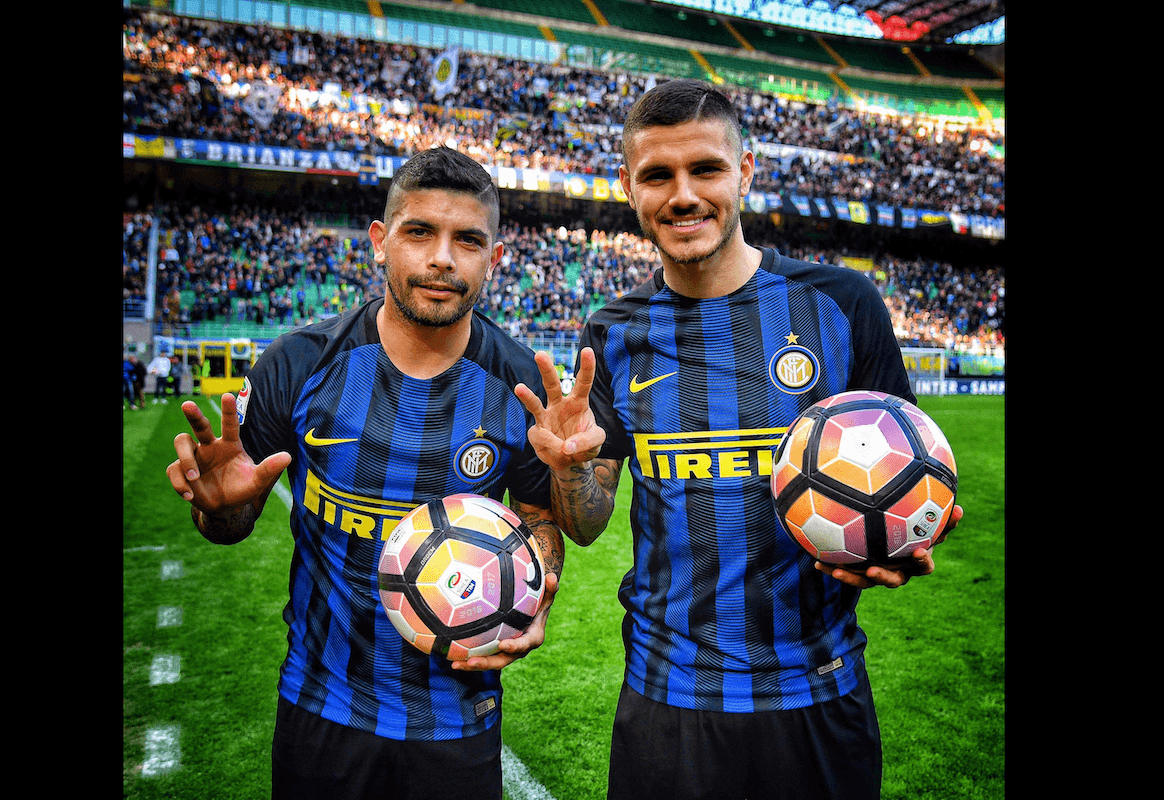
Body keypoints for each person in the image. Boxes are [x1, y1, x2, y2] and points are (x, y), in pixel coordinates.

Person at [514, 79, 964, 800]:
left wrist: (907, 545)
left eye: (706, 169)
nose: (683, 195)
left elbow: (910, 485)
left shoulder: (843, 306)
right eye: (658, 175)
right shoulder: (612, 333)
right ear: (630, 188)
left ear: (745, 172)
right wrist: (570, 471)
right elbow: (588, 524)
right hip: (668, 701)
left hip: (819, 693)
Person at [166, 146, 565, 799]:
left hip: (458, 715)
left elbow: (541, 515)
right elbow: (229, 524)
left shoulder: (519, 384)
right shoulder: (297, 363)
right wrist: (219, 505)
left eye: (467, 240)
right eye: (419, 232)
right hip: (321, 705)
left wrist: (537, 588)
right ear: (380, 242)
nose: (442, 257)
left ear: (494, 260)